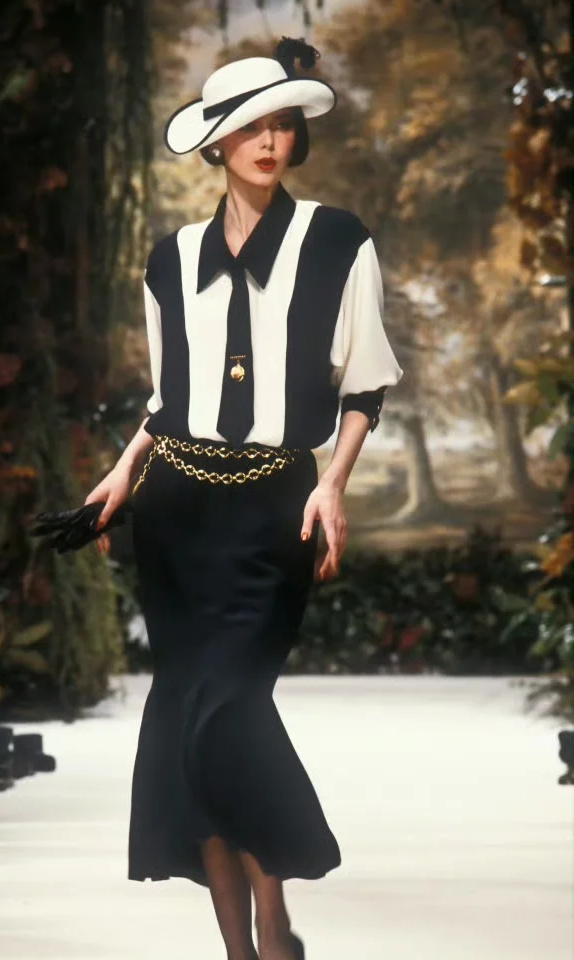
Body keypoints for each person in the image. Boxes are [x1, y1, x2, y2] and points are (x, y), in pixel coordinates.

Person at [86, 37, 404, 960]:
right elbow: (168, 400)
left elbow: (365, 386)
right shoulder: (170, 259)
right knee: (187, 722)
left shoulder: (337, 240)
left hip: (274, 508)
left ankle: (274, 910)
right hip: (176, 514)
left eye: (283, 125)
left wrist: (334, 486)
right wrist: (123, 472)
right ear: (216, 142)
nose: (269, 141)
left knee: (229, 708)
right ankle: (247, 946)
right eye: (250, 126)